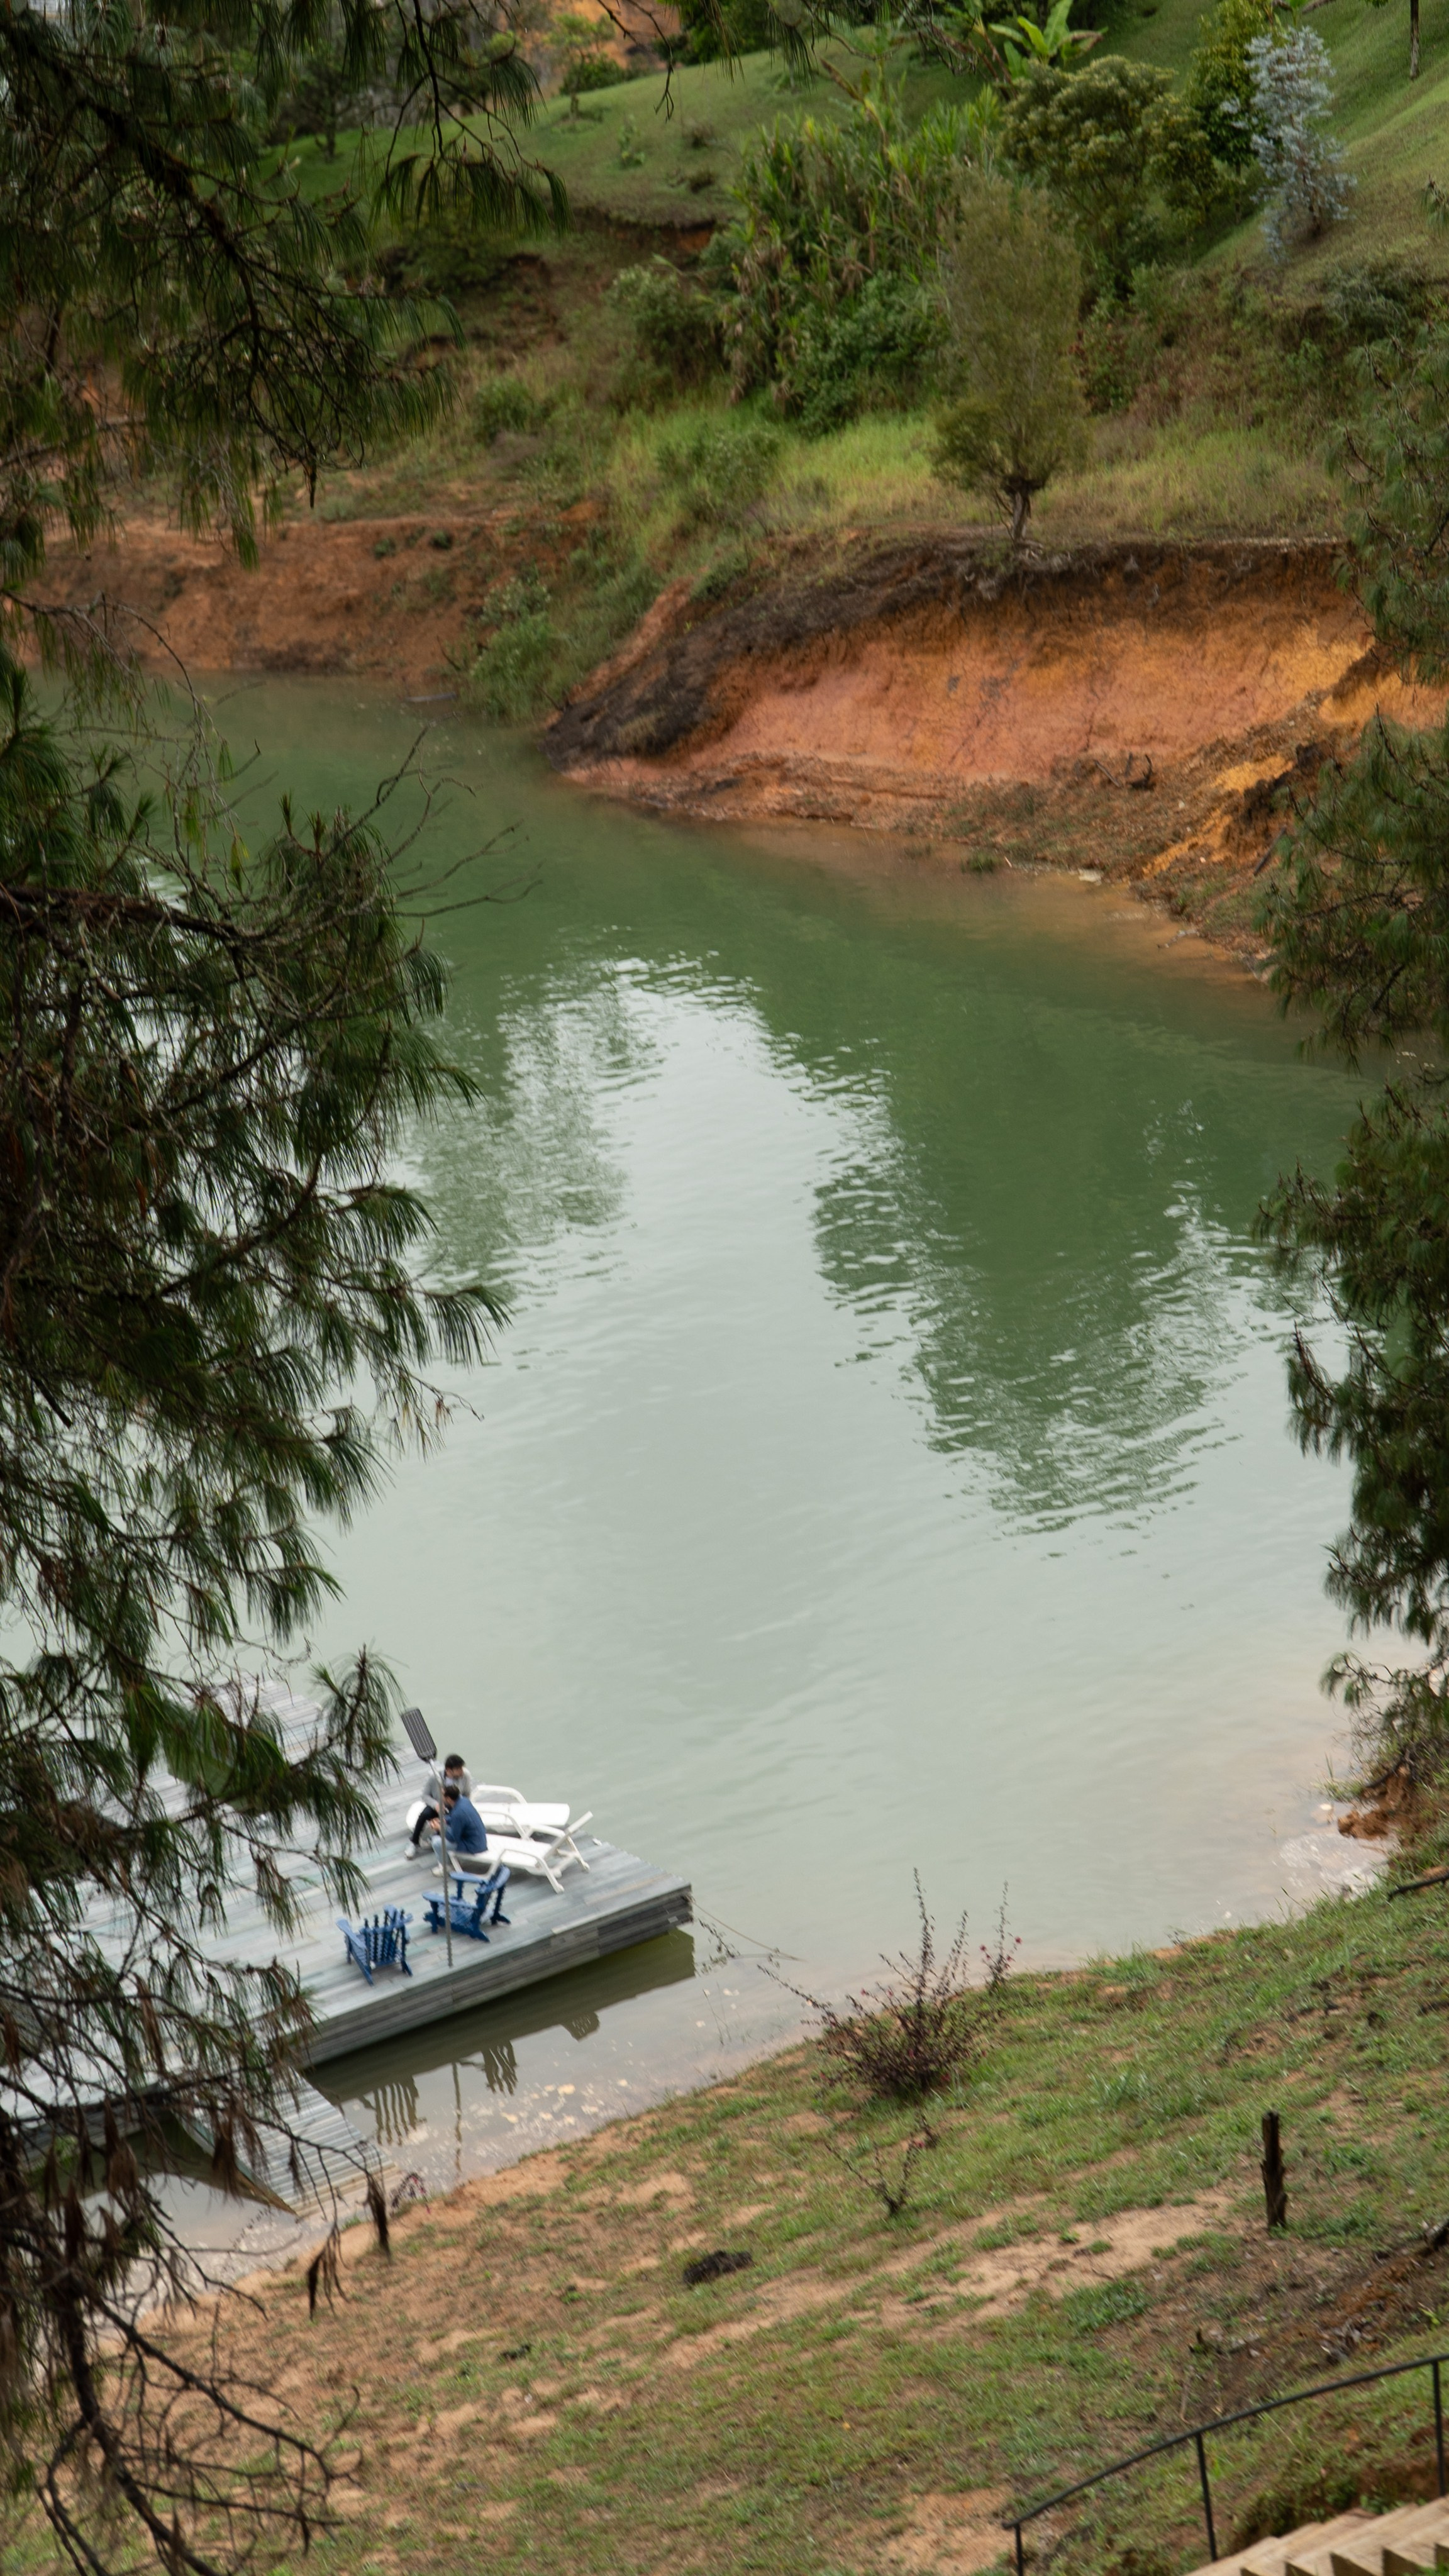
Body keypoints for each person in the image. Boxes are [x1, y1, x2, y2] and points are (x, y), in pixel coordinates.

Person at [405, 1752, 472, 1855]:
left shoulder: (465, 1776)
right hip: (438, 1805)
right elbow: (425, 1795)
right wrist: (436, 1805)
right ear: (449, 1770)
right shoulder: (434, 1778)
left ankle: (441, 1838)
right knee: (424, 1814)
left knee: (456, 1819)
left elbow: (467, 1794)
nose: (462, 1771)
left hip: (455, 1806)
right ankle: (414, 1842)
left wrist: (460, 1807)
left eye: (462, 1768)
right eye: (458, 1769)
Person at [434, 1780, 491, 1878]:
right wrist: (444, 1820)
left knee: (436, 1842)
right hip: (478, 1839)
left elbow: (452, 1838)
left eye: (443, 1796)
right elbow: (453, 1818)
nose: (441, 1798)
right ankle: (449, 1862)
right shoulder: (464, 1801)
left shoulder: (458, 1814)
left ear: (449, 1799)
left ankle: (445, 1867)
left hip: (473, 1846)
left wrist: (440, 1828)